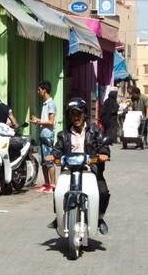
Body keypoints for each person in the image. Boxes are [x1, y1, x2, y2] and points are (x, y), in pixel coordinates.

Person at [47, 97, 111, 234]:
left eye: (78, 114)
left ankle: (99, 218)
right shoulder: (63, 134)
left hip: (91, 170)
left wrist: (103, 154)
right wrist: (53, 155)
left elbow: (103, 145)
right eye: (72, 114)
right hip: (69, 170)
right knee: (58, 191)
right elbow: (57, 149)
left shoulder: (95, 131)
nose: (76, 117)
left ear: (84, 114)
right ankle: (58, 217)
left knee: (103, 192)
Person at [30, 80, 57, 192]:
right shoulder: (45, 104)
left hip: (48, 136)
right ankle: (46, 184)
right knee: (43, 161)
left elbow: (51, 122)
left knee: (49, 161)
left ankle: (53, 185)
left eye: (39, 89)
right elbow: (46, 120)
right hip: (43, 135)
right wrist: (38, 120)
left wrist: (38, 122)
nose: (38, 91)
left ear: (44, 90)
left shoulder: (51, 103)